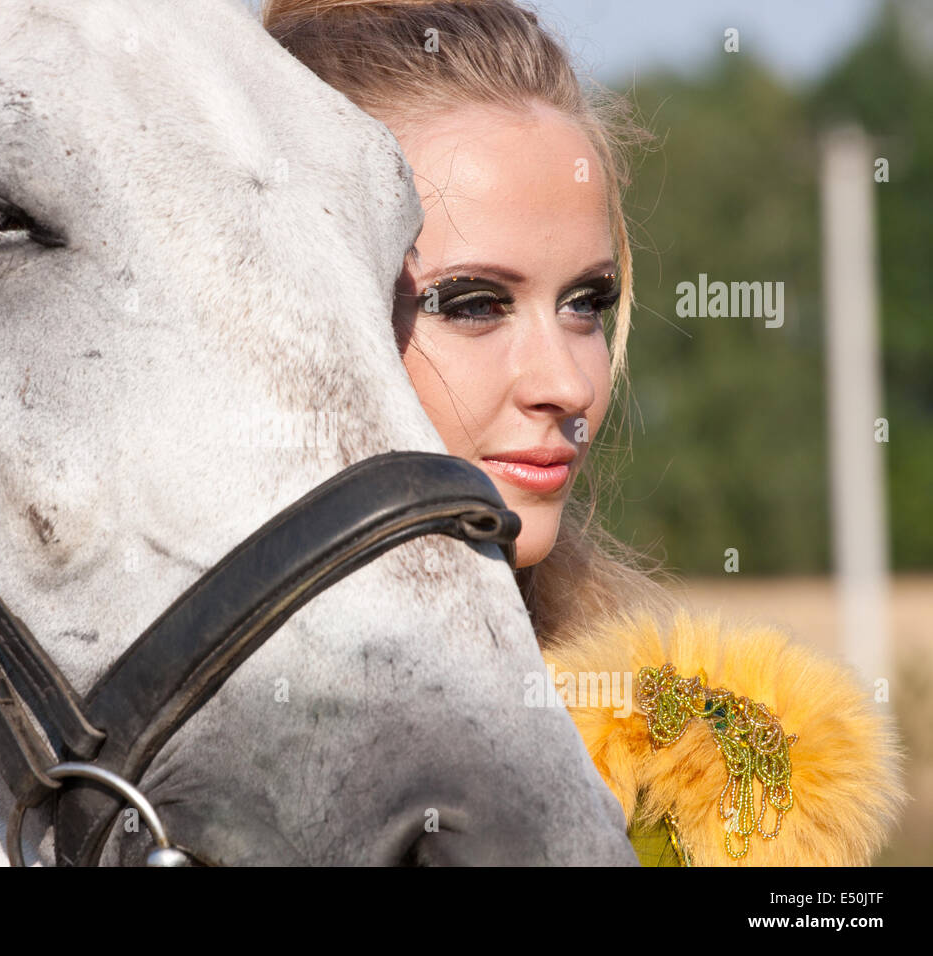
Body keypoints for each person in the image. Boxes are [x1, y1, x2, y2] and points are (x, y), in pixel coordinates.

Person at [263, 0, 906, 865]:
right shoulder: (68, 767)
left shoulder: (712, 777)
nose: (569, 384)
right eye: (475, 304)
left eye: (586, 303)